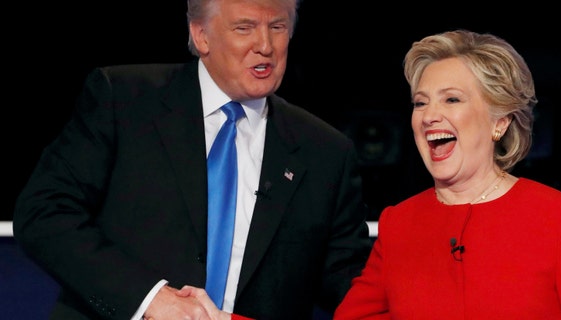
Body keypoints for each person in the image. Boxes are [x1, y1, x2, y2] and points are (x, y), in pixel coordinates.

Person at [12, 0, 372, 319]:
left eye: (277, 27)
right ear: (201, 35)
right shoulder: (124, 100)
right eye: (244, 27)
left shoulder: (325, 151)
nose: (265, 46)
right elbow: (45, 214)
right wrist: (149, 299)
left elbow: (349, 283)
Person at [333, 29, 561, 319]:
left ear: (499, 122)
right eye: (420, 102)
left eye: (452, 100)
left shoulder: (558, 218)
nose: (429, 115)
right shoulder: (399, 223)